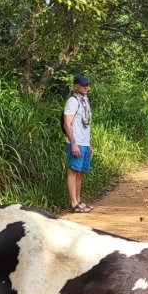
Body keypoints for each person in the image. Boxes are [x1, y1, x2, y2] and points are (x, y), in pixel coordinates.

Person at [63, 74, 93, 213]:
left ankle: (79, 200)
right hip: (75, 142)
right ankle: (73, 202)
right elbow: (67, 124)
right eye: (82, 85)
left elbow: (85, 125)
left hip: (84, 142)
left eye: (86, 85)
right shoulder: (72, 101)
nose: (85, 87)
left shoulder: (85, 100)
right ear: (76, 86)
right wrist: (73, 143)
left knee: (80, 172)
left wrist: (88, 143)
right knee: (73, 171)